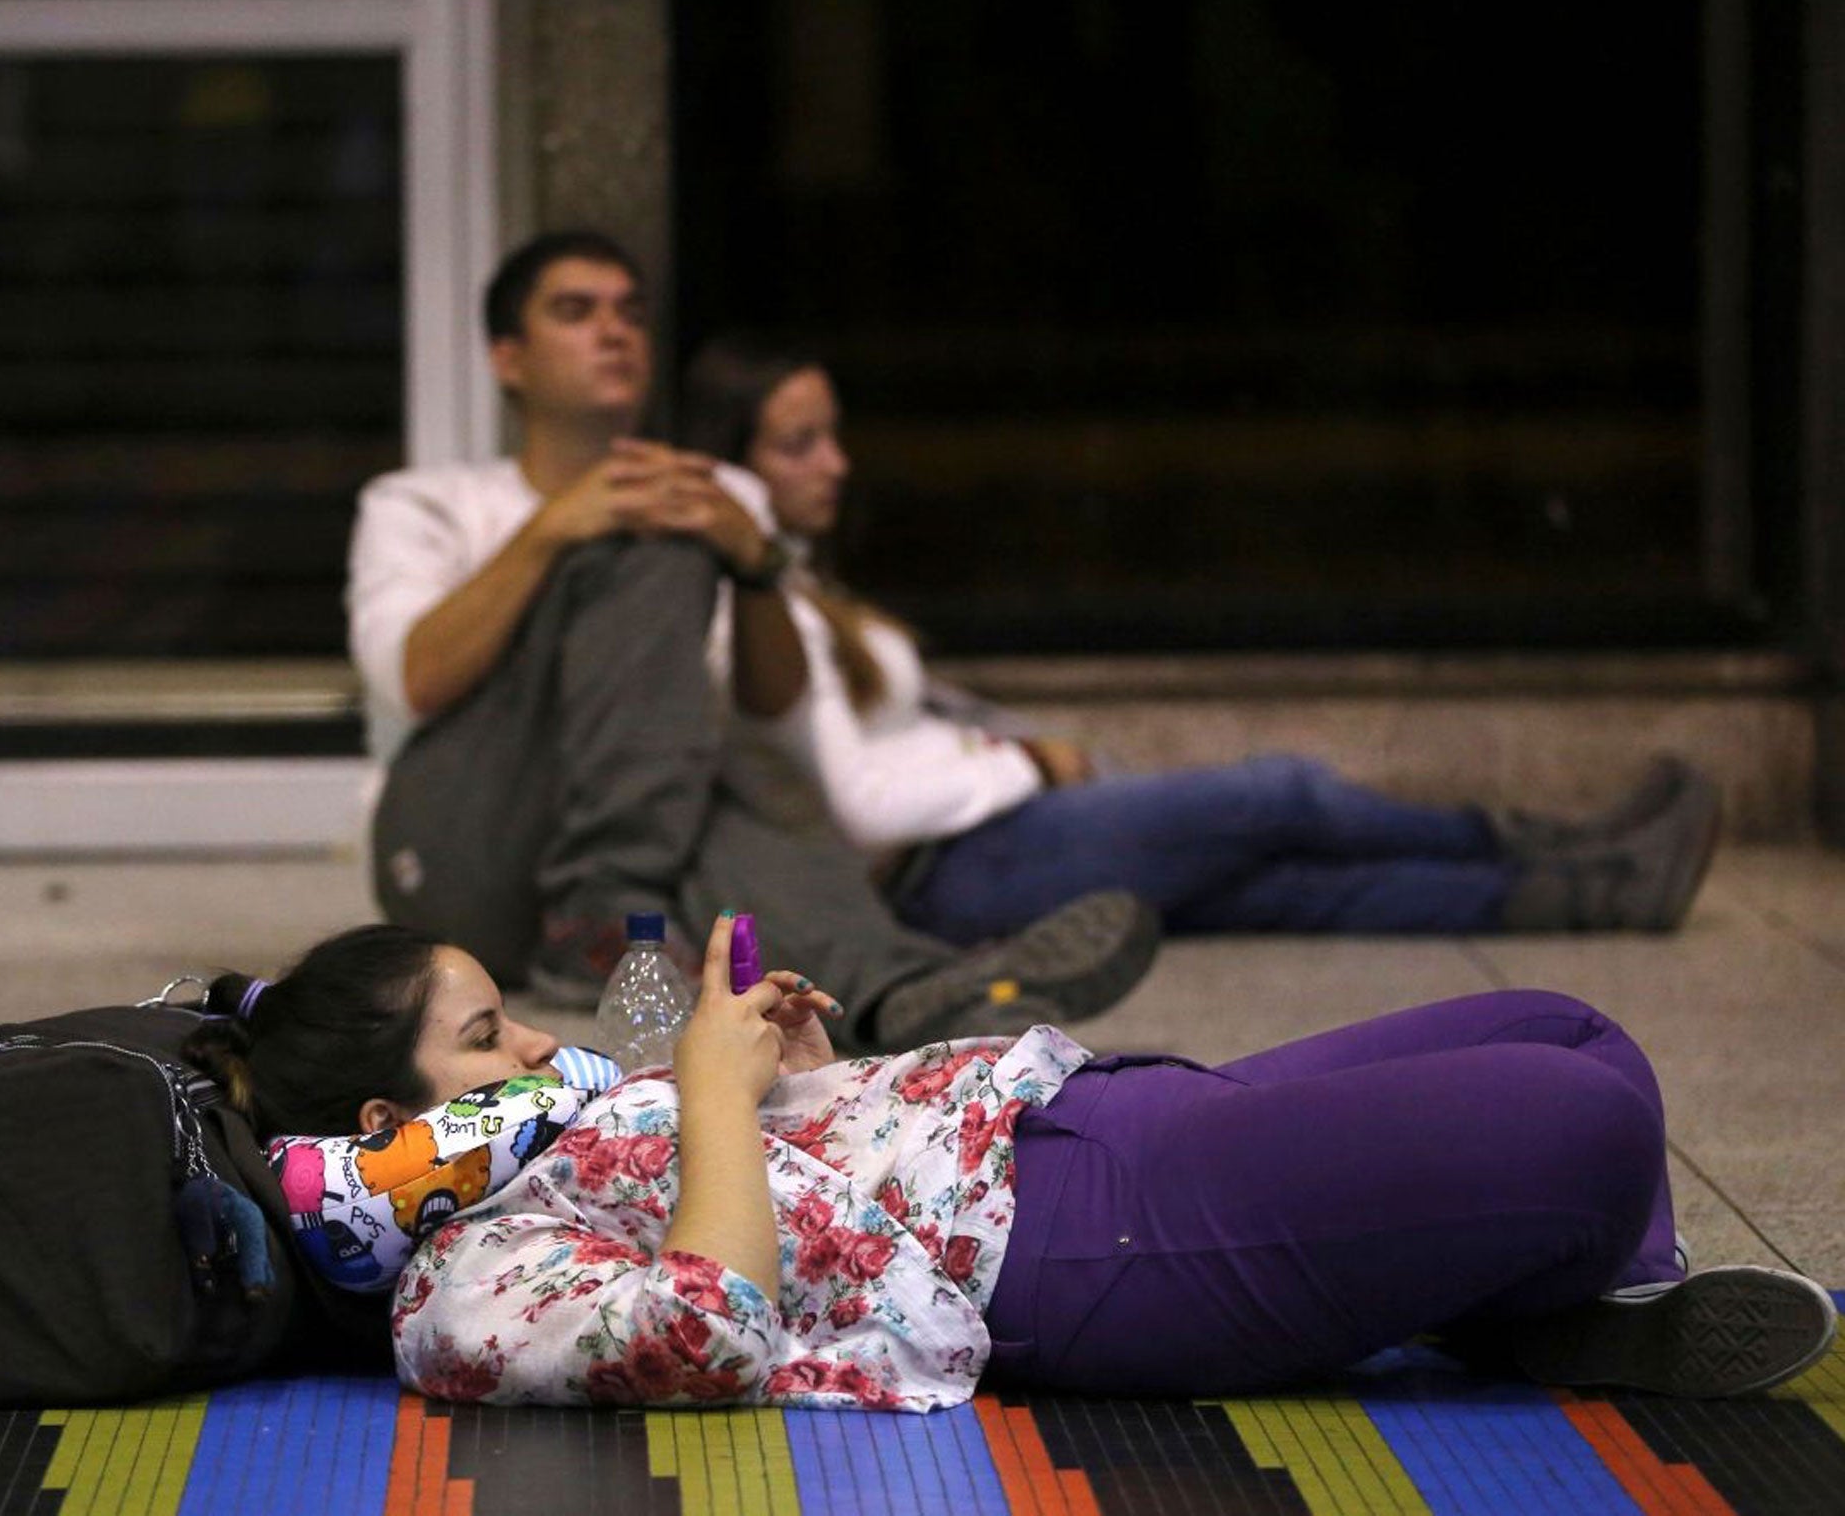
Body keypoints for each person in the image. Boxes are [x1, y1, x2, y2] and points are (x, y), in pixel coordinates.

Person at [184, 915, 1837, 1410]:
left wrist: (805, 1081)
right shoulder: (461, 1291)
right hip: (1074, 1250)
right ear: (375, 1143)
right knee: (1588, 1129)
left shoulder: (564, 1129)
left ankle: (1525, 1310)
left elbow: (772, 1178)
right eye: (482, 1044)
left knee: (1568, 1030)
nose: (536, 1049)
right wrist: (701, 1090)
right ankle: (1537, 1286)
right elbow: (710, 1320)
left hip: (1074, 1113)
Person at [345, 232, 1158, 1047]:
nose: (615, 330)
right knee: (653, 544)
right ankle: (612, 904)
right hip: (460, 846)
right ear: (509, 359)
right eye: (575, 311)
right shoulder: (424, 502)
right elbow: (410, 680)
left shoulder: (716, 495)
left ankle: (903, 992)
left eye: (631, 312)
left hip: (638, 858)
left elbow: (772, 708)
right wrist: (554, 531)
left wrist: (756, 561)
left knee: (727, 770)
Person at [677, 338, 1726, 946]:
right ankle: (1533, 841)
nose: (837, 464)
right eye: (798, 442)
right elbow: (862, 806)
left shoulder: (798, 586)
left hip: (977, 848)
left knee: (1283, 888)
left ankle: (1594, 889)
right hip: (949, 875)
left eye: (832, 434)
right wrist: (1021, 761)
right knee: (1283, 795)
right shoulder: (746, 611)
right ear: (731, 461)